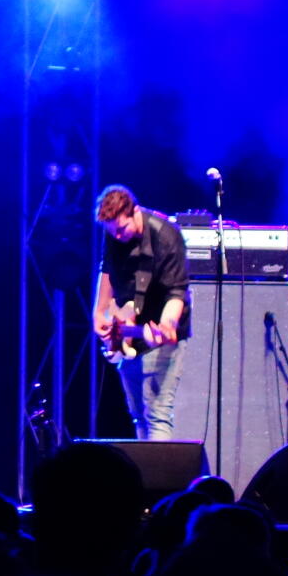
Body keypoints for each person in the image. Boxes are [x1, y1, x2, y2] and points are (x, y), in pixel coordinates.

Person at [91, 184, 190, 440]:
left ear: (135, 211)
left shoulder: (166, 236)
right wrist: (99, 312)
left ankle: (160, 469)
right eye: (112, 232)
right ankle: (144, 467)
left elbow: (176, 292)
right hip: (129, 327)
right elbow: (107, 269)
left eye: (121, 229)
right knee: (138, 414)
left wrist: (167, 325)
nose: (118, 236)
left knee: (157, 414)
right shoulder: (114, 233)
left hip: (160, 327)